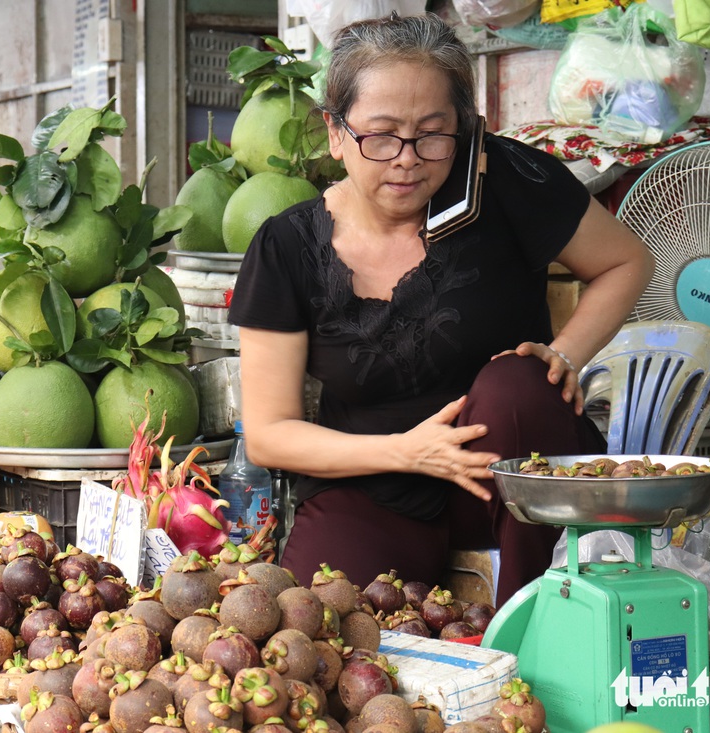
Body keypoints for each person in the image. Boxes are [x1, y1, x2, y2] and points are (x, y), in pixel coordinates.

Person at [227, 12, 655, 606]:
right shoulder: (287, 246)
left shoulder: (504, 181)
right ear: (334, 132)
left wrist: (564, 354)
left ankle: (536, 633)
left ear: (465, 128)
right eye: (380, 136)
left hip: (514, 470)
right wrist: (404, 451)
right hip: (373, 482)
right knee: (319, 629)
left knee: (517, 383)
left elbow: (624, 262)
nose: (407, 158)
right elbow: (271, 435)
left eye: (433, 133)